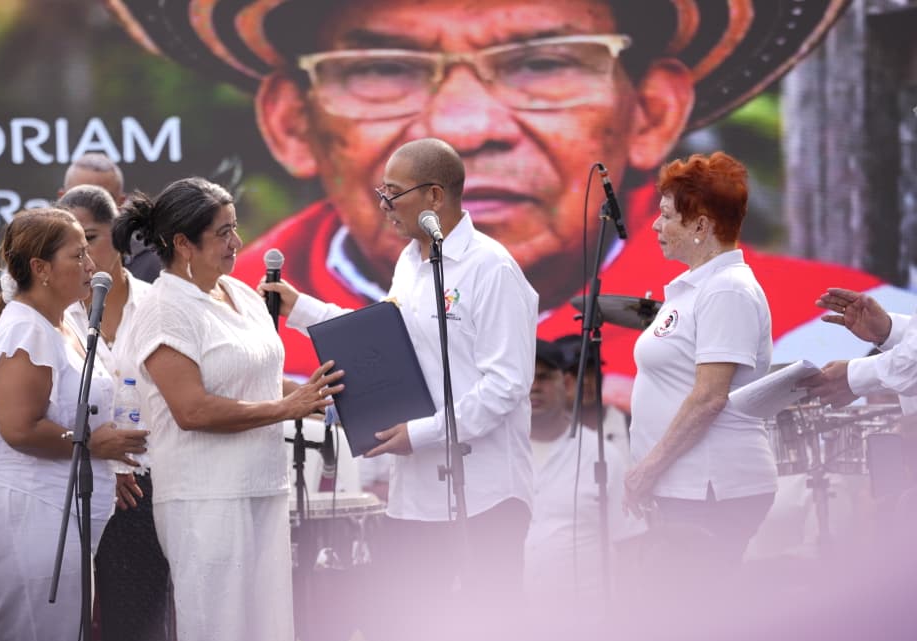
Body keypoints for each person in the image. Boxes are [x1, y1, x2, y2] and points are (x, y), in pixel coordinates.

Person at [107, 0, 916, 408]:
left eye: (544, 63)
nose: (465, 125)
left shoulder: (822, 323)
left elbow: (490, 393)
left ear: (652, 111)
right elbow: (399, 336)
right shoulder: (223, 317)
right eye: (383, 68)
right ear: (293, 121)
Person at [261, 138, 539, 641]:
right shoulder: (411, 262)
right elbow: (383, 341)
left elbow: (507, 384)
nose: (383, 205)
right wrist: (300, 309)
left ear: (434, 196)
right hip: (415, 495)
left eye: (393, 192)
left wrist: (422, 433)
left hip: (485, 493)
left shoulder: (491, 268)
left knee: (491, 629)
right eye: (381, 191)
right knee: (406, 629)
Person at [111, 177, 344, 641]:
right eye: (223, 233)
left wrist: (319, 397)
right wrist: (287, 408)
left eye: (235, 228)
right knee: (219, 635)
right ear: (183, 243)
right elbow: (192, 409)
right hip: (205, 499)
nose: (237, 242)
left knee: (268, 635)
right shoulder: (164, 309)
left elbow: (259, 379)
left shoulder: (242, 294)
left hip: (264, 487)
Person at [0, 208, 148, 641]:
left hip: (52, 513)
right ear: (40, 268)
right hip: (27, 515)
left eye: (88, 252)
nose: (91, 265)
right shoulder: (27, 331)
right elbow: (20, 429)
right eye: (77, 256)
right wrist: (93, 447)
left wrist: (100, 463)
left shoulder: (64, 321)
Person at [624, 152, 777, 580]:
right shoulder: (699, 287)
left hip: (713, 488)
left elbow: (710, 397)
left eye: (666, 216)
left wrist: (648, 469)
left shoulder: (727, 290)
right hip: (688, 486)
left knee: (696, 600)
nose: (655, 226)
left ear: (701, 226)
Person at [55, 185, 170, 641]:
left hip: (149, 482)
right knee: (66, 624)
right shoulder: (55, 315)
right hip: (75, 482)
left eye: (91, 239)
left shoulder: (159, 303)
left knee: (139, 626)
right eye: (71, 247)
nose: (84, 257)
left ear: (119, 237)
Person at [524, 339, 644, 612]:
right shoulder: (500, 456)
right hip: (509, 620)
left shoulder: (604, 456)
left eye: (544, 377)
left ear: (566, 383)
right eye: (527, 379)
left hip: (587, 619)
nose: (534, 387)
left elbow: (629, 546)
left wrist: (627, 616)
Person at [61, 152, 162, 283]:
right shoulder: (45, 261)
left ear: (121, 203)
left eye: (103, 201)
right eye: (77, 198)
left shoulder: (153, 261)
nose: (88, 207)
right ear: (61, 198)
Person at [554, 333, 632, 460]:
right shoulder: (544, 432)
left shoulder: (630, 425)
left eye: (590, 370)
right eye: (574, 373)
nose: (585, 380)